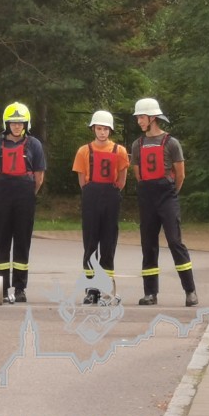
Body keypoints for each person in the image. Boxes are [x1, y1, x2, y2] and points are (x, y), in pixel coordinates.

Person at [131, 98, 198, 307]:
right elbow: (138, 174)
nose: (139, 121)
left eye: (141, 117)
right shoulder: (137, 144)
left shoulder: (171, 143)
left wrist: (171, 193)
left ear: (152, 118)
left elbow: (181, 175)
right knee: (148, 244)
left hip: (167, 196)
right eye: (138, 117)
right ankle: (150, 293)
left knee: (175, 241)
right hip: (147, 197)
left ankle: (190, 291)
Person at [0, 102, 45, 303]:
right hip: (2, 196)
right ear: (7, 124)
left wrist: (28, 193)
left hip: (25, 197)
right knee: (2, 241)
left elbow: (39, 177)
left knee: (22, 242)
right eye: (13, 123)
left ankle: (20, 288)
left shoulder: (34, 145)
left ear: (26, 124)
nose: (17, 126)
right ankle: (1, 288)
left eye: (21, 123)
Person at [71, 110, 129, 304]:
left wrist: (113, 192)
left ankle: (106, 288)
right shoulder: (84, 151)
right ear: (93, 129)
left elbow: (122, 178)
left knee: (108, 241)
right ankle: (91, 289)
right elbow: (81, 179)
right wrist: (90, 192)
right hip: (91, 196)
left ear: (110, 130)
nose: (102, 132)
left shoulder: (119, 151)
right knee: (90, 242)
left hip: (111, 196)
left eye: (105, 129)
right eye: (99, 128)